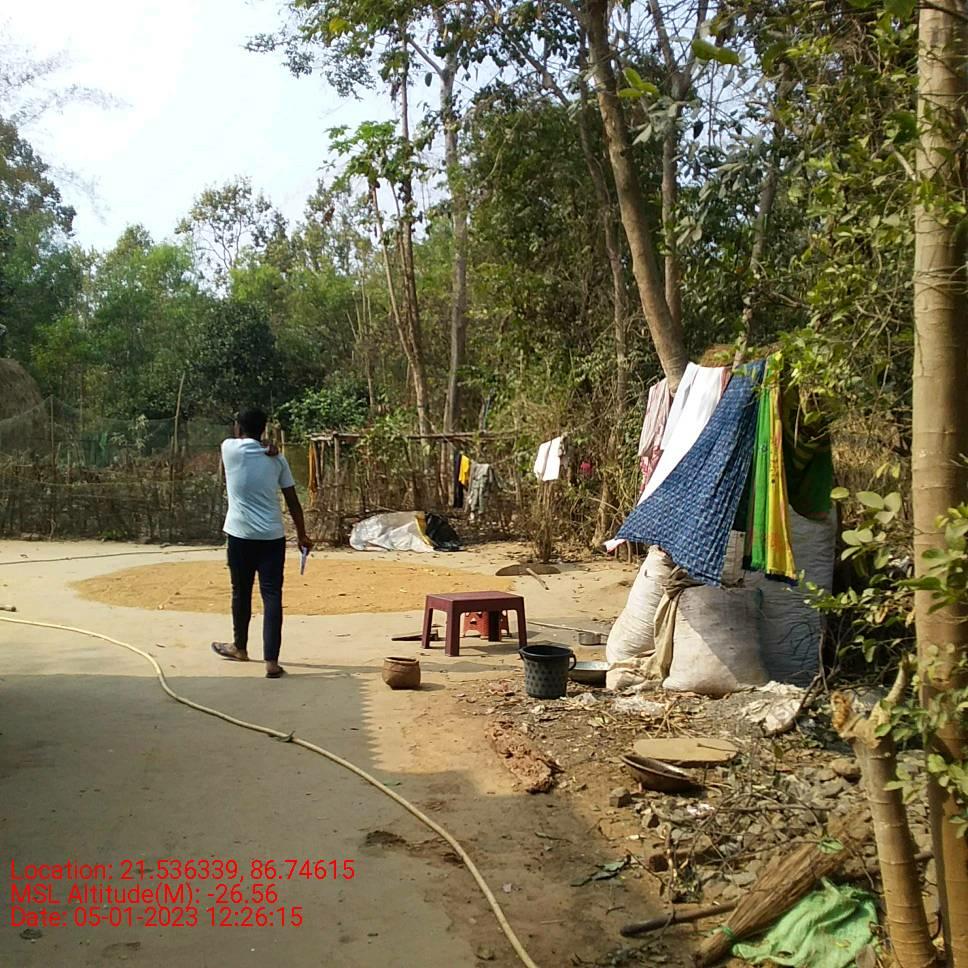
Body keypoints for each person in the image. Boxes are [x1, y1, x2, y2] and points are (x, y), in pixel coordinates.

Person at [211, 407, 312, 678]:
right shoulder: (277, 459)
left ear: (238, 427)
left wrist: (265, 443)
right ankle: (272, 662)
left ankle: (240, 647)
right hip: (272, 537)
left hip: (240, 536)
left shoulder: (229, 449)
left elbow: (244, 442)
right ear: (264, 429)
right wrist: (302, 534)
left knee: (241, 592)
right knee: (272, 596)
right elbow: (293, 501)